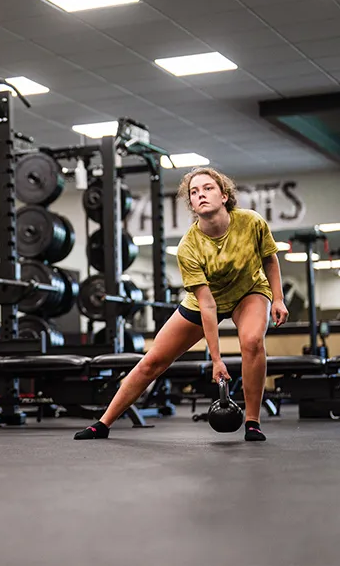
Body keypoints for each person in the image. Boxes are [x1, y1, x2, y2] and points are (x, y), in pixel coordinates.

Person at [74, 167, 288, 442]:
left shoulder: (251, 222)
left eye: (208, 188)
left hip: (249, 291)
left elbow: (269, 258)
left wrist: (278, 298)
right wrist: (216, 360)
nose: (201, 195)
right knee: (152, 361)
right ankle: (102, 424)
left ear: (224, 196)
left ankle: (252, 422)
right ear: (191, 204)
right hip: (206, 301)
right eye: (194, 192)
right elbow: (207, 305)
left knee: (252, 342)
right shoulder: (189, 246)